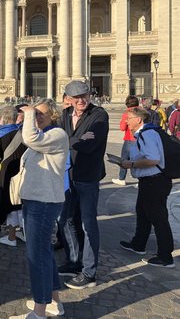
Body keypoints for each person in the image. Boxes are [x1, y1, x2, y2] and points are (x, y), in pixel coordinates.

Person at [9, 100, 69, 319]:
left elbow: (30, 138)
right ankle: (53, 302)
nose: (36, 117)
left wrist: (28, 113)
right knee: (44, 253)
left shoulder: (57, 134)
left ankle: (39, 312)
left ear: (54, 115)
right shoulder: (44, 136)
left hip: (43, 203)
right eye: (35, 113)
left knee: (37, 256)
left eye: (40, 113)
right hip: (36, 201)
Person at [58, 81, 109, 290]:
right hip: (67, 176)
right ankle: (74, 262)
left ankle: (89, 272)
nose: (81, 100)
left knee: (88, 225)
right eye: (76, 97)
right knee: (66, 220)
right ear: (68, 99)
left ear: (89, 95)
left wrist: (69, 141)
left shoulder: (99, 115)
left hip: (88, 177)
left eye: (84, 95)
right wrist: (76, 139)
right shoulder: (64, 115)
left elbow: (90, 145)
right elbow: (57, 140)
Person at [119, 108, 175, 268]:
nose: (126, 121)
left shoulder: (147, 134)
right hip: (151, 180)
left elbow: (153, 159)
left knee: (158, 217)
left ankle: (165, 256)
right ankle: (138, 244)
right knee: (143, 212)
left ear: (138, 119)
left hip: (154, 181)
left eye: (129, 118)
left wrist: (131, 164)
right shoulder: (148, 133)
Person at [0, 106, 24, 247]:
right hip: (23, 171)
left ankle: (11, 237)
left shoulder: (1, 134)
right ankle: (23, 232)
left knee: (9, 203)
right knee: (21, 202)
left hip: (7, 171)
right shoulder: (24, 133)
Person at [113, 96, 139, 186]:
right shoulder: (142, 112)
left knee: (124, 159)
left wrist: (123, 121)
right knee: (139, 159)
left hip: (130, 139)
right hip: (141, 138)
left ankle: (121, 178)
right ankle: (141, 179)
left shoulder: (127, 113)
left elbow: (122, 127)